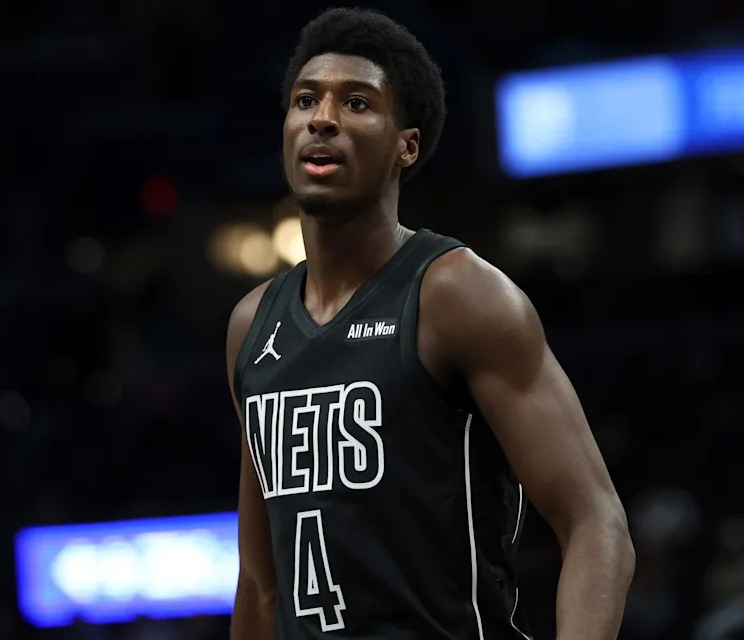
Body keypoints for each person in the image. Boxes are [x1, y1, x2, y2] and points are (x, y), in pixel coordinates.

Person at [226, 8, 634, 639]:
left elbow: (596, 524)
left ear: (404, 145)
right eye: (306, 100)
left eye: (356, 103)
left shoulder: (458, 294)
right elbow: (259, 583)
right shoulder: (251, 326)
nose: (322, 118)